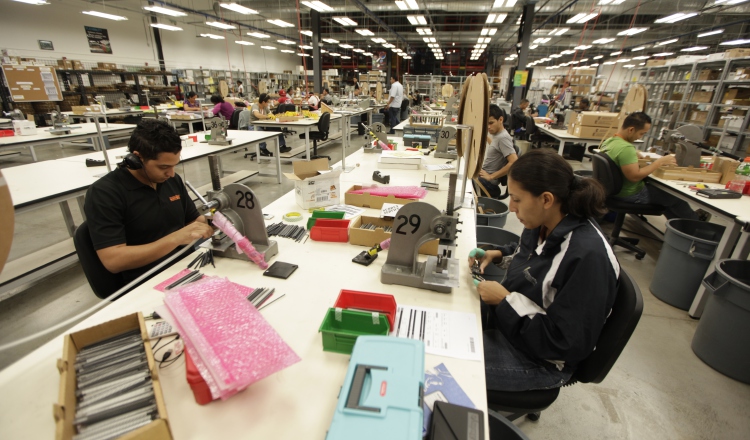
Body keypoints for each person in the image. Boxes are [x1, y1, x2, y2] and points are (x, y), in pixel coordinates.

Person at [469, 148, 618, 392]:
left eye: (517, 199)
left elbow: (564, 343)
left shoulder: (588, 258)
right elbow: (533, 255)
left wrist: (505, 301)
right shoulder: (544, 220)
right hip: (514, 326)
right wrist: (498, 255)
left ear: (546, 199)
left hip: (540, 361)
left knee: (444, 360)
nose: (512, 207)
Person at [83, 119, 213, 285]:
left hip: (186, 266)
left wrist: (219, 220)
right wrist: (176, 239)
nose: (171, 174)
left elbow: (193, 221)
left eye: (174, 166)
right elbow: (113, 261)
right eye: (163, 167)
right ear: (137, 158)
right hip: (146, 279)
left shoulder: (171, 181)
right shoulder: (105, 193)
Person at [600, 112, 699, 220]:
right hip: (630, 194)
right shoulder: (626, 148)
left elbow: (618, 155)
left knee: (666, 198)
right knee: (675, 198)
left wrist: (634, 154)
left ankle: (678, 228)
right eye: (641, 133)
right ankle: (695, 226)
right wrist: (659, 162)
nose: (640, 137)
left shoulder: (610, 141)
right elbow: (634, 177)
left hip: (613, 192)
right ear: (631, 129)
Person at [477, 105, 517, 198]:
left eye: (491, 123)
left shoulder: (503, 138)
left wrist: (491, 177)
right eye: (486, 123)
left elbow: (514, 161)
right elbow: (496, 147)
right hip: (484, 178)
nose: (488, 127)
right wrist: (485, 136)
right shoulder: (497, 135)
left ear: (501, 119)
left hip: (488, 183)